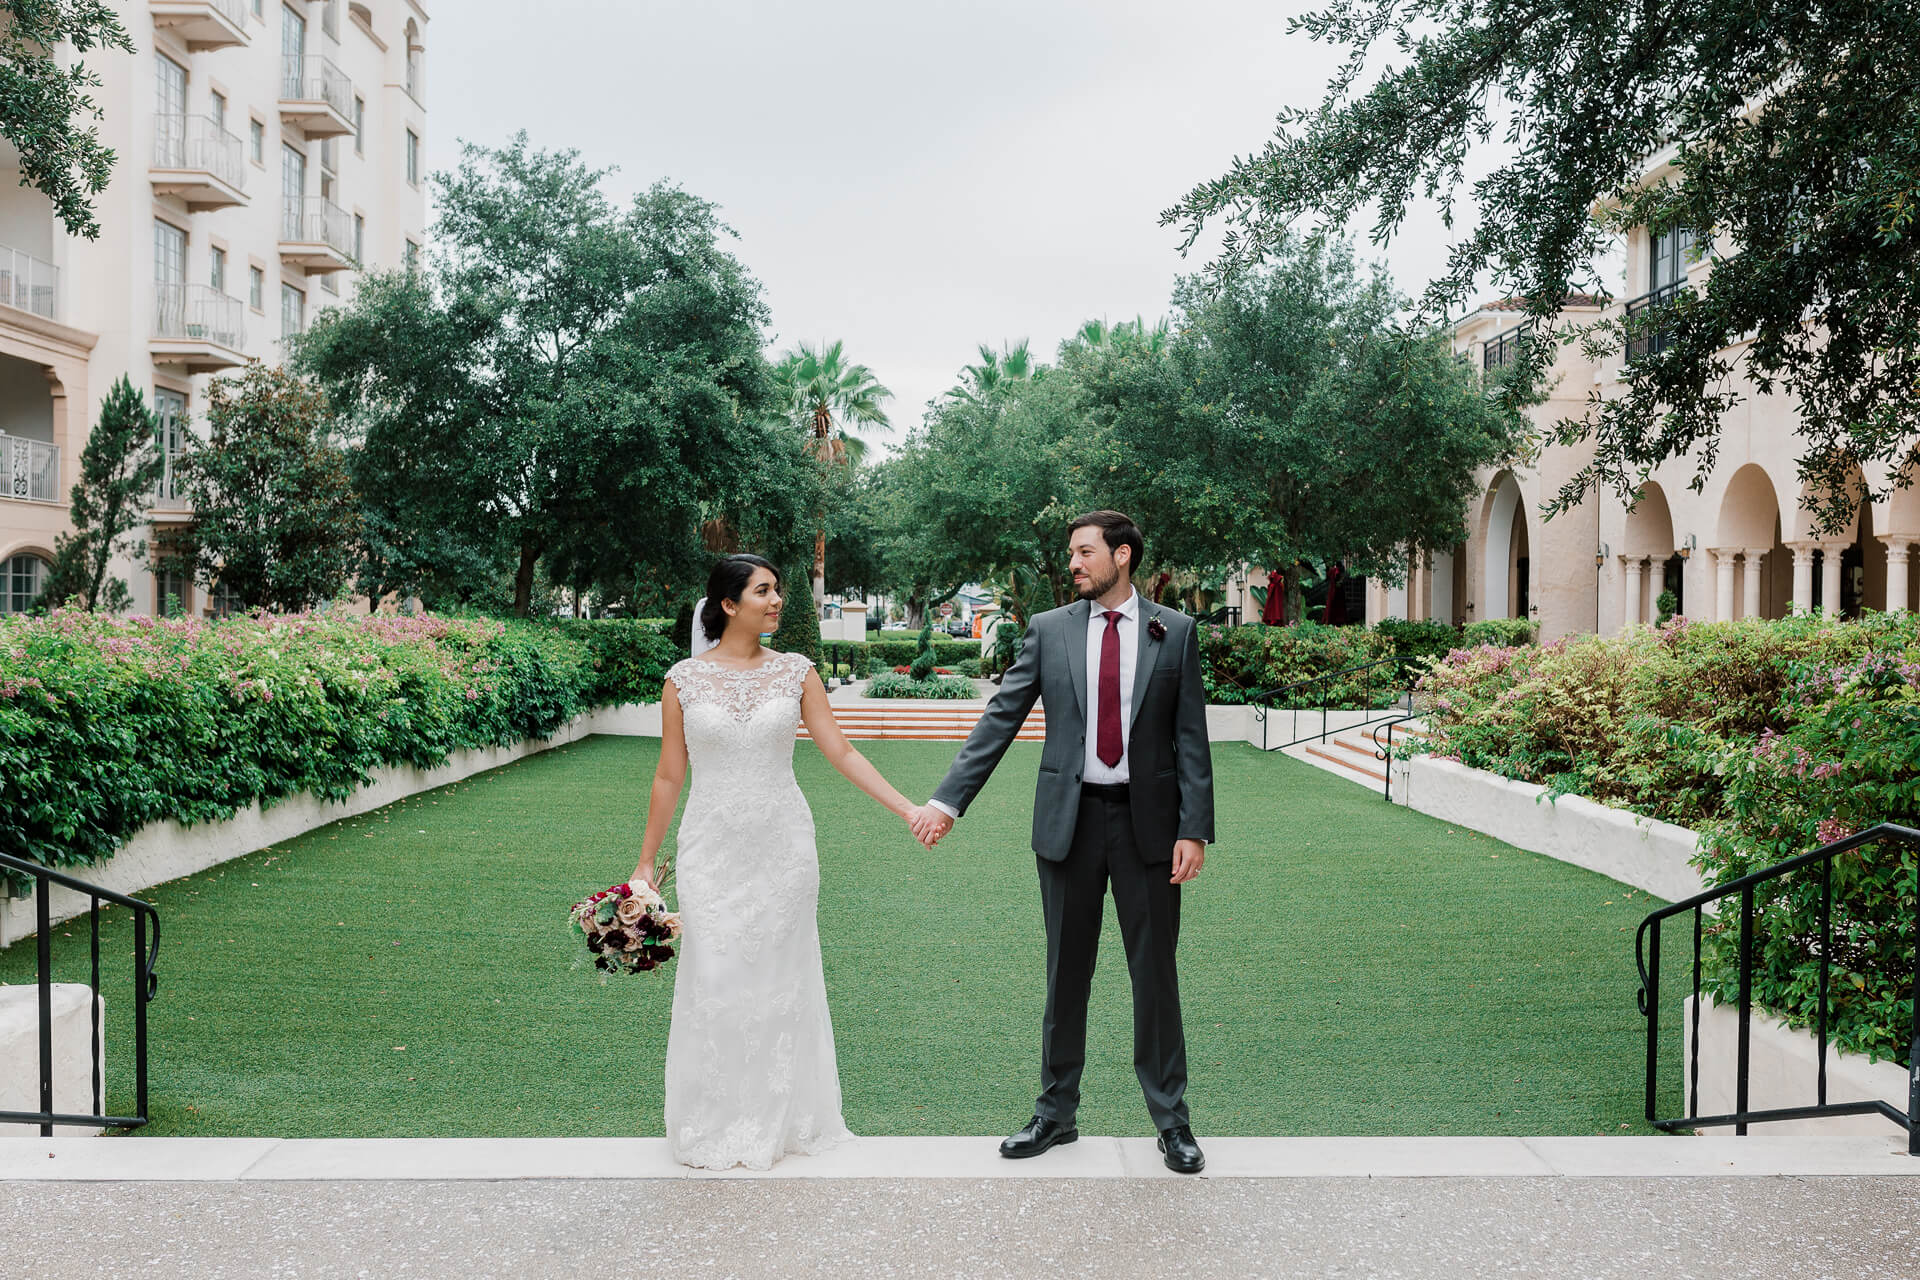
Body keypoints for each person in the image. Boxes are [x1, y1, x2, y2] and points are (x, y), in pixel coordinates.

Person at [912, 510, 1216, 1173]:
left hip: (1151, 831)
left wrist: (1194, 828)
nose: (1073, 564)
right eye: (1071, 553)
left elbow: (1189, 738)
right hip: (1068, 826)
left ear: (1123, 556)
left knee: (1155, 979)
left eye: (1084, 553)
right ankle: (1055, 1114)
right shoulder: (1049, 632)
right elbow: (1001, 717)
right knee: (1064, 976)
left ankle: (1172, 1122)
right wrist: (947, 801)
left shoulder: (1176, 631)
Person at [632, 554, 931, 1170]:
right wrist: (644, 866)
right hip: (709, 847)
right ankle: (714, 1121)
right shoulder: (682, 680)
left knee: (777, 979)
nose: (777, 601)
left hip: (783, 849)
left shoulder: (796, 673)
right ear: (728, 604)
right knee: (714, 977)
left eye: (777, 591)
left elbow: (840, 751)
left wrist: (907, 808)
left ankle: (780, 1118)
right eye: (763, 591)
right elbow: (668, 774)